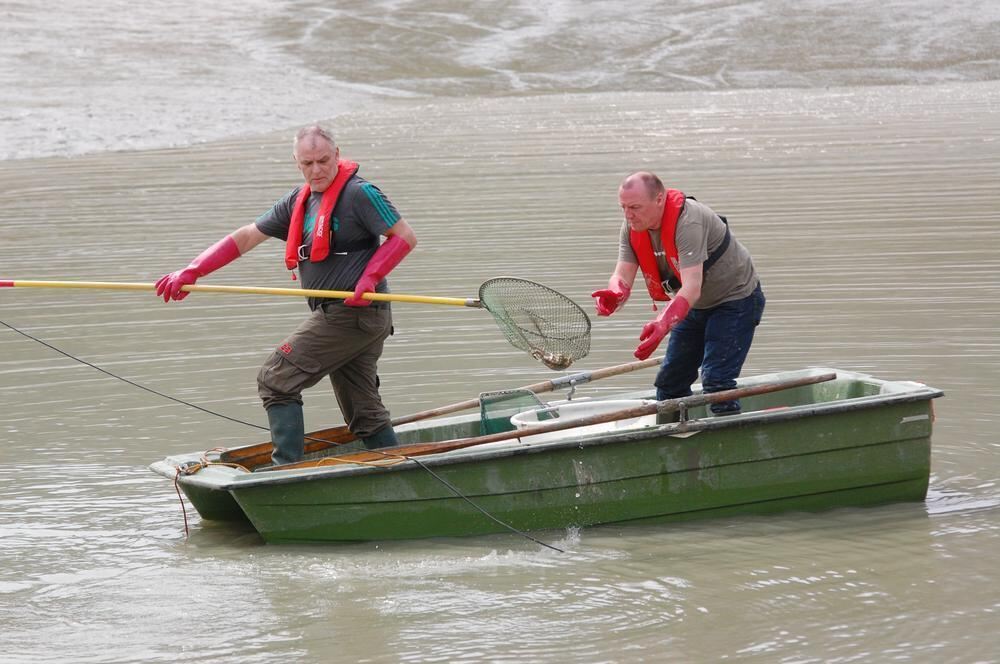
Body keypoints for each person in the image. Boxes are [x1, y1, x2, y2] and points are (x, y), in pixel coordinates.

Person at [155, 125, 417, 464]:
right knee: (363, 410)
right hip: (344, 318)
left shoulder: (360, 194)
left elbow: (404, 237)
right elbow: (246, 237)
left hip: (354, 314)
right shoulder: (299, 201)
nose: (317, 170)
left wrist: (370, 278)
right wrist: (192, 270)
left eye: (323, 161)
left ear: (337, 155)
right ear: (297, 163)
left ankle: (286, 473)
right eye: (308, 164)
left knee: (276, 378)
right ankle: (399, 469)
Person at [591, 171, 764, 415]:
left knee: (716, 380)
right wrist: (614, 294)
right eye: (623, 207)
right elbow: (622, 275)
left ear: (659, 199)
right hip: (693, 305)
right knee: (670, 383)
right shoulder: (632, 227)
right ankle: (678, 439)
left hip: (735, 299)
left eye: (635, 207)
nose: (628, 215)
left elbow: (691, 287)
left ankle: (729, 441)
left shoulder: (689, 221)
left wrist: (662, 324)